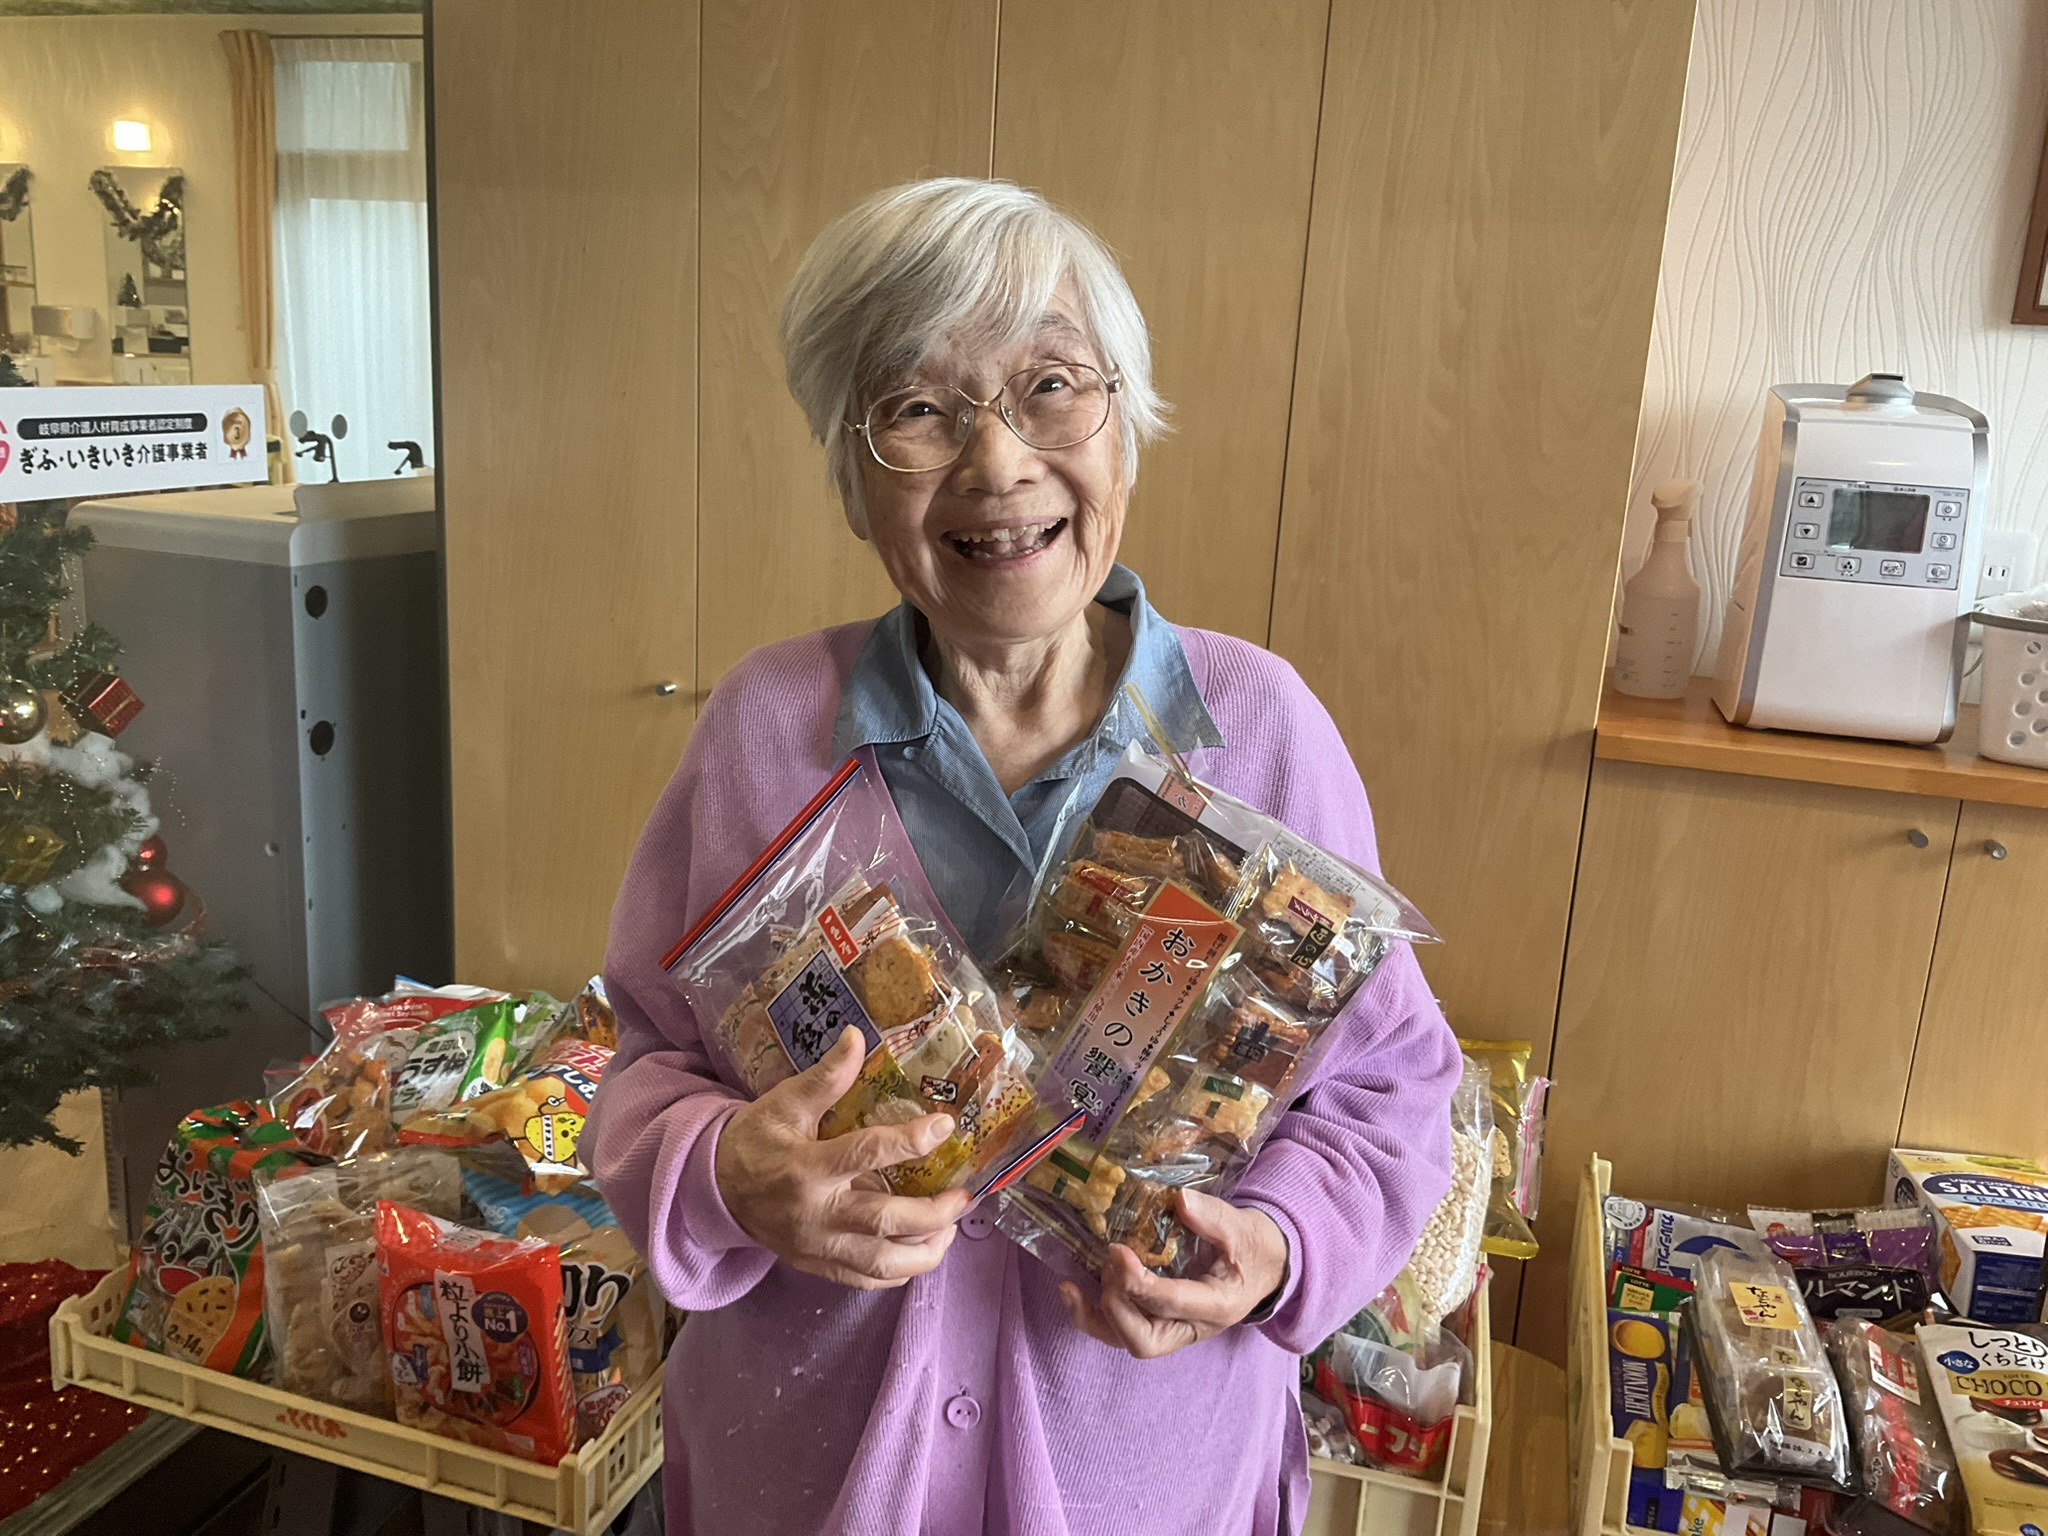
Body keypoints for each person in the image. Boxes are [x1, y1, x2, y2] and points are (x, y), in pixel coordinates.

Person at [584, 178, 1461, 1536]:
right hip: (811, 1475)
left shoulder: (1259, 735)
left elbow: (1389, 1093)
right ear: (852, 476)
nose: (996, 463)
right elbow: (645, 1059)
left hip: (1140, 1478)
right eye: (918, 409)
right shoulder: (766, 730)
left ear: (1127, 425)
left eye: (1051, 385)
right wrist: (722, 1174)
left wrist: (1278, 1244)